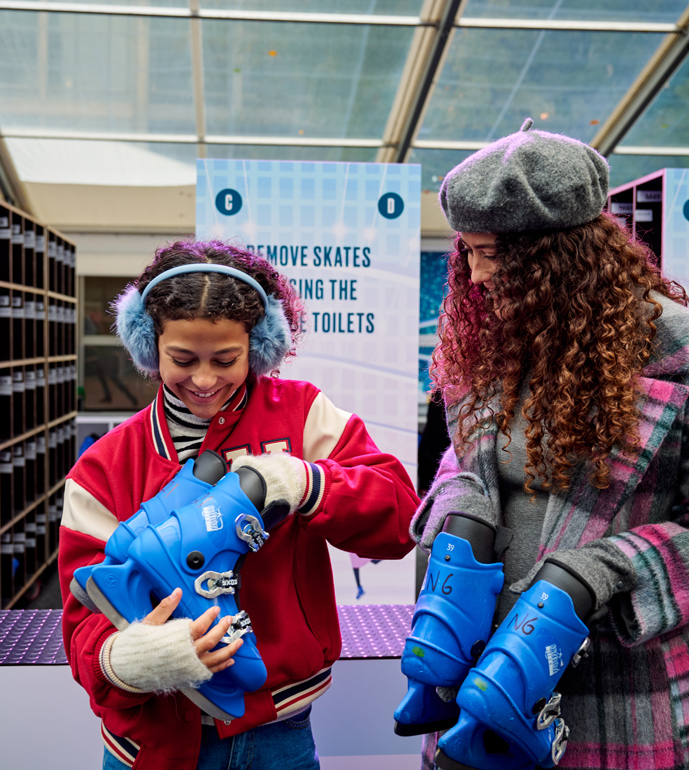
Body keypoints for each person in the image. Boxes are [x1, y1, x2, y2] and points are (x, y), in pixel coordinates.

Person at [58, 240, 419, 770]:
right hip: (152, 743)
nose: (204, 381)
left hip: (279, 734)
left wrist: (310, 484)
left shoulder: (302, 414)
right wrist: (124, 659)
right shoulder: (106, 466)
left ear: (260, 345)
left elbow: (399, 521)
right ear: (146, 343)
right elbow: (82, 617)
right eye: (182, 359)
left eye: (225, 360)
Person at [411, 119, 689, 770]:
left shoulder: (675, 355)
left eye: (492, 255)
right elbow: (464, 462)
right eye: (467, 252)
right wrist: (458, 510)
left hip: (614, 698)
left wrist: (595, 574)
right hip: (475, 684)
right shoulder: (488, 341)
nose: (474, 278)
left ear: (559, 259)